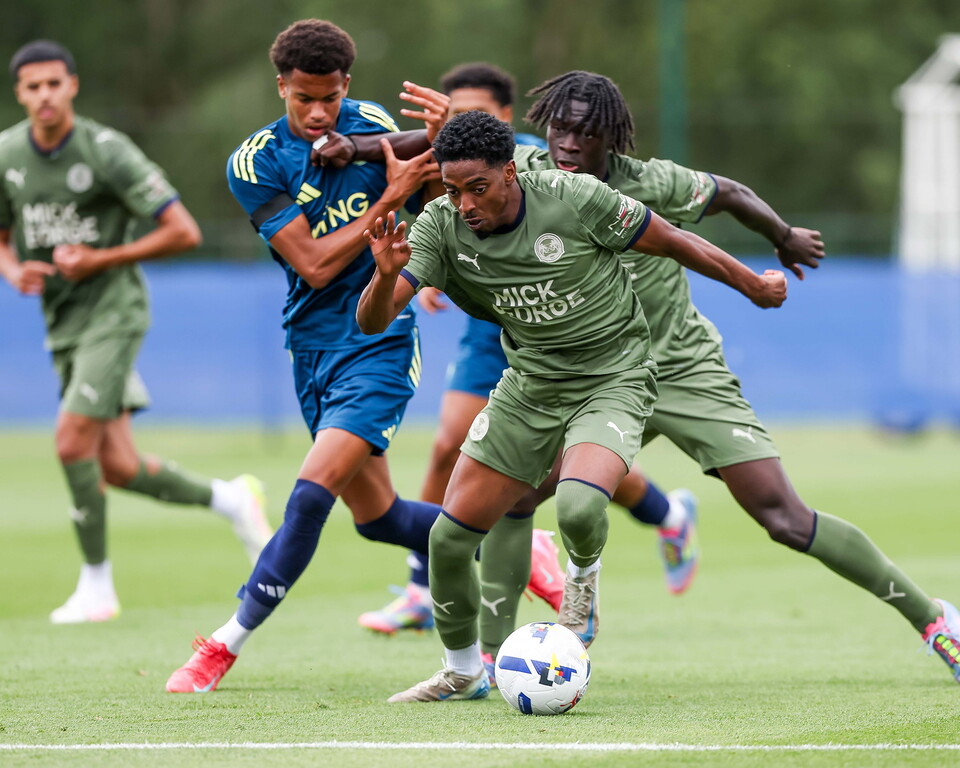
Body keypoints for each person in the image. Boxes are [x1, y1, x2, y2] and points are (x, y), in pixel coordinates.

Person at [356, 109, 788, 702]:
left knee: (581, 506)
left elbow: (676, 241)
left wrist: (754, 285)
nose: (464, 203)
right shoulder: (438, 225)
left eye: (476, 188)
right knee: (448, 540)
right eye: (454, 191)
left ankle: (581, 581)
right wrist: (383, 278)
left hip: (613, 374)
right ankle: (462, 671)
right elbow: (372, 321)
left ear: (510, 173)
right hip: (529, 383)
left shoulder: (574, 197)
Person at [358, 62, 700, 641]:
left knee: (574, 477)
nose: (462, 121)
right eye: (453, 111)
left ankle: (654, 522)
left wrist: (755, 279)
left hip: (581, 343)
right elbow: (401, 274)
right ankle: (436, 596)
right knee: (451, 450)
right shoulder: (451, 185)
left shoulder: (539, 169)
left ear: (508, 121)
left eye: (476, 112)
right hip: (496, 334)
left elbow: (670, 232)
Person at [164, 19, 451, 694]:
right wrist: (389, 193)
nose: (319, 112)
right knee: (379, 519)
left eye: (329, 96)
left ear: (345, 85)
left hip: (377, 338)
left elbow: (436, 184)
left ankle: (222, 646)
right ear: (281, 88)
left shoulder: (371, 124)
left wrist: (443, 137)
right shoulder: (256, 162)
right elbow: (317, 265)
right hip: (311, 345)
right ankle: (517, 545)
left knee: (307, 497)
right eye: (303, 99)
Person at [0, 40, 272, 625]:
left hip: (115, 311)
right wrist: (12, 266)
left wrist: (101, 259)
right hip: (63, 323)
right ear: (19, 93)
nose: (44, 95)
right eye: (32, 87)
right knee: (116, 466)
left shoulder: (105, 150)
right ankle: (232, 499)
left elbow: (183, 230)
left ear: (72, 86)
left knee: (72, 442)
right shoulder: (8, 154)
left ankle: (97, 587)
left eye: (54, 83)